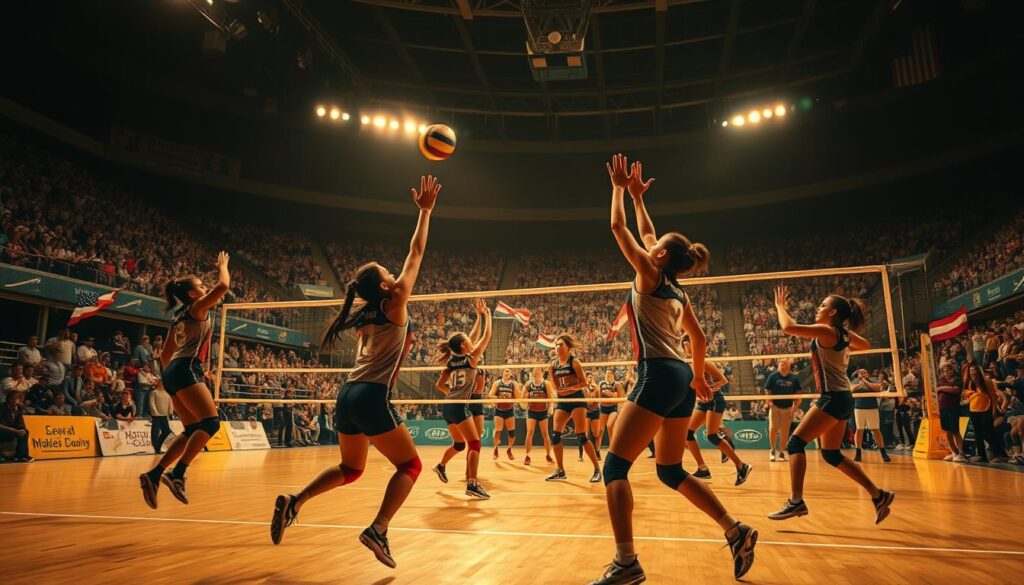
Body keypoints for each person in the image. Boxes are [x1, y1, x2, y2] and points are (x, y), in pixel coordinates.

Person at [589, 155, 756, 585]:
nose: (650, 243)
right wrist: (638, 197)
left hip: (658, 374)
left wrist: (616, 190)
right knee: (669, 470)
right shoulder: (678, 289)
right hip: (681, 376)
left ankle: (626, 562)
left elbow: (618, 229)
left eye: (655, 244)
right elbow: (698, 341)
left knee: (614, 468)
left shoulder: (647, 272)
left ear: (659, 254)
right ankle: (735, 530)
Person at [269, 175, 440, 569]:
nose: (397, 274)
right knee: (410, 466)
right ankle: (378, 528)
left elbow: (404, 264)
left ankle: (296, 501)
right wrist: (425, 212)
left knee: (352, 468)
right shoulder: (395, 301)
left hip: (346, 395)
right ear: (385, 283)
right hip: (371, 395)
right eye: (389, 273)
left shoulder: (365, 313)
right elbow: (416, 252)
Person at [768, 285, 894, 524]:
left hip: (833, 396)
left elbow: (788, 327)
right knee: (831, 454)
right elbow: (864, 344)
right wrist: (845, 343)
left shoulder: (828, 332)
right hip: (843, 396)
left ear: (833, 313)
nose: (818, 307)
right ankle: (879, 495)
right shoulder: (842, 335)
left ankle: (796, 501)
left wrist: (780, 306)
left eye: (823, 305)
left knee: (795, 443)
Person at [138, 250, 231, 509]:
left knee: (192, 429)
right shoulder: (197, 307)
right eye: (201, 286)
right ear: (192, 294)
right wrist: (222, 265)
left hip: (173, 371)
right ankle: (177, 474)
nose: (205, 288)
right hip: (187, 367)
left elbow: (165, 354)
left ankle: (154, 475)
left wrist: (172, 379)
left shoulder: (176, 316)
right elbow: (224, 285)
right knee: (211, 423)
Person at [431, 300, 493, 499]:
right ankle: (472, 484)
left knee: (459, 445)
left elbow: (439, 385)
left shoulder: (452, 360)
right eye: (468, 341)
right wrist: (488, 315)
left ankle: (440, 466)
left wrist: (478, 316)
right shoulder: (471, 358)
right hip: (459, 406)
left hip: (448, 404)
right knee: (475, 444)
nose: (471, 341)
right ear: (463, 346)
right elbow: (486, 337)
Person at [685, 337, 752, 485]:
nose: (684, 347)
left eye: (687, 343)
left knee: (712, 436)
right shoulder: (688, 363)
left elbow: (723, 380)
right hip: (703, 402)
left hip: (715, 400)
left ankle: (742, 466)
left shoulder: (704, 361)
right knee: (688, 433)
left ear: (693, 344)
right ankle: (702, 468)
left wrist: (709, 388)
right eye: (683, 344)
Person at [546, 335, 601, 483]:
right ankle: (560, 470)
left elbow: (584, 383)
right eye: (556, 345)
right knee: (555, 435)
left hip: (577, 399)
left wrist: (570, 388)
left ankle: (597, 469)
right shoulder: (552, 365)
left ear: (568, 347)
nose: (557, 347)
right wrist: (559, 391)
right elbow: (554, 385)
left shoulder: (574, 362)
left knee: (582, 436)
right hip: (563, 401)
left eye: (561, 345)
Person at [962, 364, 1007, 463]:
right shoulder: (970, 382)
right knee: (977, 433)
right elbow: (969, 397)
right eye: (970, 370)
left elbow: (993, 397)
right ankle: (981, 455)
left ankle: (999, 455)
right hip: (973, 410)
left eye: (974, 370)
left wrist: (994, 410)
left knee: (989, 433)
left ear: (978, 371)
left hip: (986, 409)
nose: (972, 372)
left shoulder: (986, 381)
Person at [764, 359, 800, 462]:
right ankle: (772, 450)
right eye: (780, 364)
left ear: (788, 366)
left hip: (788, 408)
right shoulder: (773, 376)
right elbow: (767, 389)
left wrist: (795, 405)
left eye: (783, 364)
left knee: (785, 432)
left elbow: (798, 391)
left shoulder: (794, 378)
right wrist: (769, 401)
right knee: (773, 429)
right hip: (775, 406)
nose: (781, 365)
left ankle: (781, 453)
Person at [852, 369, 890, 463]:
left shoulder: (873, 379)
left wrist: (865, 382)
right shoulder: (854, 381)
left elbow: (878, 388)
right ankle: (858, 453)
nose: (864, 373)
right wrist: (859, 385)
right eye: (861, 372)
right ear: (858, 374)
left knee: (876, 429)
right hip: (859, 408)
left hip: (872, 407)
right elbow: (850, 389)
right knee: (859, 429)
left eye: (865, 372)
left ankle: (883, 452)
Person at [522, 366, 555, 466]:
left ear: (541, 372)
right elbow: (522, 398)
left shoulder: (546, 384)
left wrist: (551, 407)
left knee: (545, 434)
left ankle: (548, 454)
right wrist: (525, 399)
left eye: (537, 370)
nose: (535, 372)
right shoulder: (528, 384)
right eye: (533, 370)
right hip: (531, 411)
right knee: (530, 432)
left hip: (543, 411)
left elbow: (551, 397)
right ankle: (527, 455)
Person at [488, 367, 520, 461]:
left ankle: (509, 449)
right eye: (505, 371)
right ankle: (495, 449)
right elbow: (490, 395)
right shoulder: (497, 383)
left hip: (509, 409)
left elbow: (518, 398)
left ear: (511, 374)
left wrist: (512, 398)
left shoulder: (514, 384)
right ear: (502, 373)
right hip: (499, 409)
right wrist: (498, 398)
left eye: (508, 372)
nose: (506, 373)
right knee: (498, 430)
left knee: (512, 433)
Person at [936, 364, 966, 461]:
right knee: (947, 431)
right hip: (943, 408)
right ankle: (954, 452)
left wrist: (941, 388)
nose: (946, 373)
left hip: (953, 408)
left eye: (948, 370)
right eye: (944, 371)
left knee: (955, 431)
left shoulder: (957, 380)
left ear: (952, 370)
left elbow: (956, 390)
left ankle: (961, 453)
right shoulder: (941, 381)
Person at [595, 369, 624, 458]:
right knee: (600, 430)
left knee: (610, 425)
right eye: (607, 373)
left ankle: (612, 449)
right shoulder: (601, 383)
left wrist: (609, 394)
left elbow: (620, 397)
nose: (608, 375)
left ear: (613, 375)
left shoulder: (617, 384)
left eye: (610, 374)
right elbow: (599, 397)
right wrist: (612, 394)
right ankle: (597, 450)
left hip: (613, 408)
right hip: (603, 408)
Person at [0, 392, 32, 462]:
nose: (19, 401)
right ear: (9, 399)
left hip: (12, 430)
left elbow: (20, 422)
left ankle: (21, 456)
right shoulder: (2, 407)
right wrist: (15, 431)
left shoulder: (19, 408)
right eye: (17, 399)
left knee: (25, 432)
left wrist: (21, 429)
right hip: (3, 429)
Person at [149, 382, 174, 453]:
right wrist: (155, 412)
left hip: (164, 416)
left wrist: (171, 412)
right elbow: (152, 402)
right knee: (155, 433)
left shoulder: (167, 394)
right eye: (161, 383)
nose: (163, 384)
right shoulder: (154, 392)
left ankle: (159, 446)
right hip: (156, 416)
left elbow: (170, 403)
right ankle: (157, 449)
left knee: (167, 432)